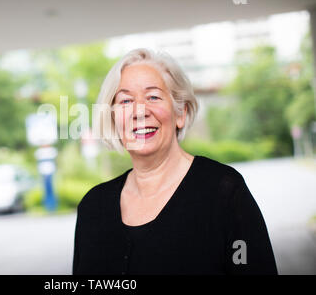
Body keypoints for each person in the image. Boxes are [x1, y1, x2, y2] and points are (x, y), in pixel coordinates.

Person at [72, 48, 277, 275]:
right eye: (126, 100)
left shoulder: (224, 192)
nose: (139, 111)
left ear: (180, 112)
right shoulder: (93, 207)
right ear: (113, 118)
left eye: (153, 97)